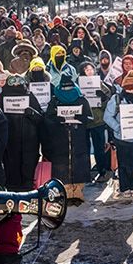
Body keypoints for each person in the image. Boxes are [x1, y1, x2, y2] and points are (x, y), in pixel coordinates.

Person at [43, 72, 93, 205]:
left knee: (78, 164)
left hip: (77, 138)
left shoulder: (80, 100)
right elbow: (48, 119)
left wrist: (80, 119)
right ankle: (66, 193)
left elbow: (88, 118)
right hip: (61, 139)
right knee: (62, 165)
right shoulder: (56, 101)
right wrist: (58, 120)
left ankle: (77, 193)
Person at [0, 69, 44, 191]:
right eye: (13, 82)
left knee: (28, 166)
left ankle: (28, 188)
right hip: (9, 140)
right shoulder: (1, 98)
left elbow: (40, 119)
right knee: (10, 165)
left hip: (29, 141)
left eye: (19, 82)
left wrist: (32, 113)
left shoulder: (30, 96)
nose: (16, 85)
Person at [104, 70, 133, 198]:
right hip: (121, 137)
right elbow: (107, 116)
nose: (131, 91)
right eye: (128, 88)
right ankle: (124, 187)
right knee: (123, 163)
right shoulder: (116, 99)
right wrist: (118, 128)